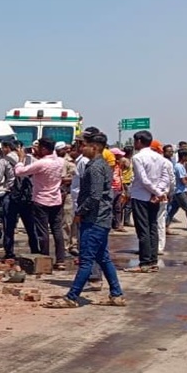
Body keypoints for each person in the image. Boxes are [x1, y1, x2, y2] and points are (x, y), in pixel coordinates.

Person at [45, 132, 126, 308]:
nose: (81, 148)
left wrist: (80, 212)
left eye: (84, 145)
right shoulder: (98, 165)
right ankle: (116, 294)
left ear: (94, 147)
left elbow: (95, 196)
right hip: (100, 218)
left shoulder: (96, 167)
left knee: (86, 259)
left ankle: (72, 297)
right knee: (103, 258)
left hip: (94, 219)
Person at [15, 137, 66, 266]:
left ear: (44, 149)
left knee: (42, 232)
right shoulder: (60, 161)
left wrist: (21, 159)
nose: (34, 149)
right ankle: (60, 260)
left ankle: (44, 260)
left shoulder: (41, 163)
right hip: (56, 199)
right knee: (57, 230)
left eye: (38, 147)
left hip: (41, 200)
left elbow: (19, 172)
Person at [0, 140, 39, 259]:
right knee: (31, 226)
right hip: (27, 197)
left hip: (11, 196)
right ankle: (35, 251)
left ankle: (9, 253)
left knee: (9, 226)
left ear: (7, 147)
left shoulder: (4, 161)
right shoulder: (31, 159)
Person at [128, 131, 169, 273]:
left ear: (139, 141)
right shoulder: (160, 157)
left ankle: (145, 262)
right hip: (153, 197)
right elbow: (165, 178)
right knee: (152, 227)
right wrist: (159, 192)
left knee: (143, 229)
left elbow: (143, 179)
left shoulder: (138, 157)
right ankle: (152, 260)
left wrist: (156, 192)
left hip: (141, 196)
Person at [151, 140, 175, 255]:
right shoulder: (166, 163)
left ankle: (153, 246)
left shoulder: (143, 160)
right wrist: (170, 193)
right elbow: (172, 181)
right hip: (161, 195)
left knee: (152, 222)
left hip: (151, 196)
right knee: (159, 221)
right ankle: (158, 246)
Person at [166, 149, 187, 233]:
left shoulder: (181, 166)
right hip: (180, 191)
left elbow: (184, 178)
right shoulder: (179, 167)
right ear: (183, 157)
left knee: (173, 209)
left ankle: (166, 226)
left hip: (179, 191)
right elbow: (183, 181)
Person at [57, 141, 76, 268]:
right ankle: (64, 247)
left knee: (75, 221)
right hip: (67, 193)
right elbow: (62, 179)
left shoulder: (79, 160)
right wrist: (77, 179)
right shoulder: (64, 162)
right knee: (67, 221)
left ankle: (73, 245)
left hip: (76, 194)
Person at [121, 146, 135, 226]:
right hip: (125, 182)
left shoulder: (130, 160)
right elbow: (121, 171)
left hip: (130, 181)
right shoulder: (124, 160)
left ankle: (127, 219)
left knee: (129, 202)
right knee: (126, 201)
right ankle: (124, 220)